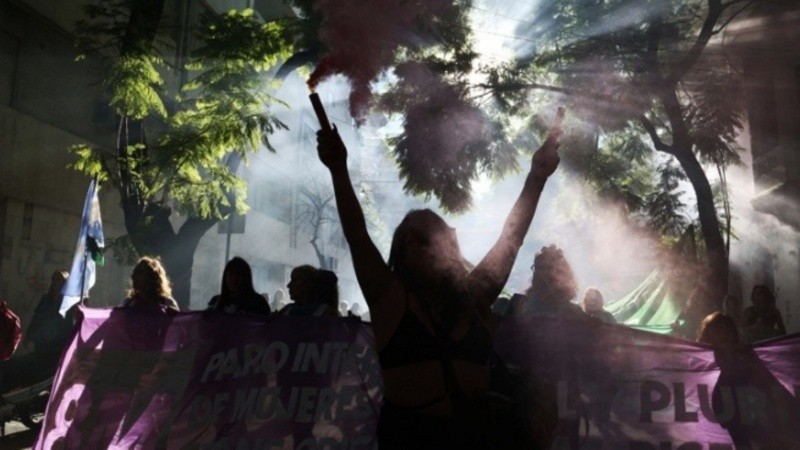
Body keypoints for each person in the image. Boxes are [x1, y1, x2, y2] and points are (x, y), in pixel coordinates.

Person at [316, 109, 562, 449]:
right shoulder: (389, 297)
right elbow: (357, 236)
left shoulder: (472, 296)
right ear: (401, 251)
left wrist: (536, 177)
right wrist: (338, 170)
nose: (428, 246)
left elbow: (511, 239)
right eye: (417, 239)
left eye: (436, 237)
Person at [517, 245, 584, 319]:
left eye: (557, 270)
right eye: (543, 269)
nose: (550, 274)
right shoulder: (518, 305)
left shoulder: (576, 315)